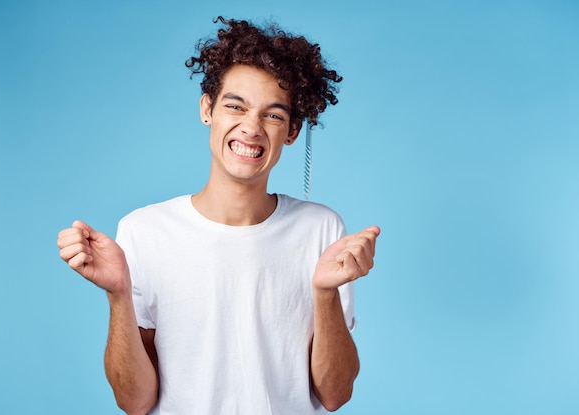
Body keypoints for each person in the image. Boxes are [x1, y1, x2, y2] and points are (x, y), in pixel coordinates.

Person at [57, 16, 380, 415]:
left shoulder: (322, 229)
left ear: (293, 131)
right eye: (235, 107)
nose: (251, 128)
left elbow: (335, 395)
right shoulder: (143, 231)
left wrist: (325, 292)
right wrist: (118, 295)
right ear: (207, 109)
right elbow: (134, 403)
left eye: (273, 115)